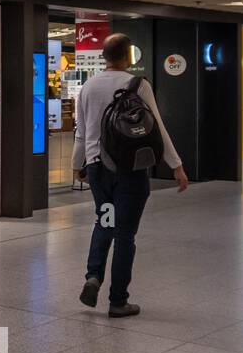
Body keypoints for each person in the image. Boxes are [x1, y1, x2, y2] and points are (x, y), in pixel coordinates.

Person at [72, 33, 188, 318]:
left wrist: (78, 164)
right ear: (128, 56)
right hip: (131, 171)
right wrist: (176, 165)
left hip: (99, 170)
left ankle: (93, 276)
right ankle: (118, 300)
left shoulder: (87, 87)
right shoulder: (137, 84)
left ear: (104, 56)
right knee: (125, 234)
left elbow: (82, 133)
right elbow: (157, 127)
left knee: (105, 220)